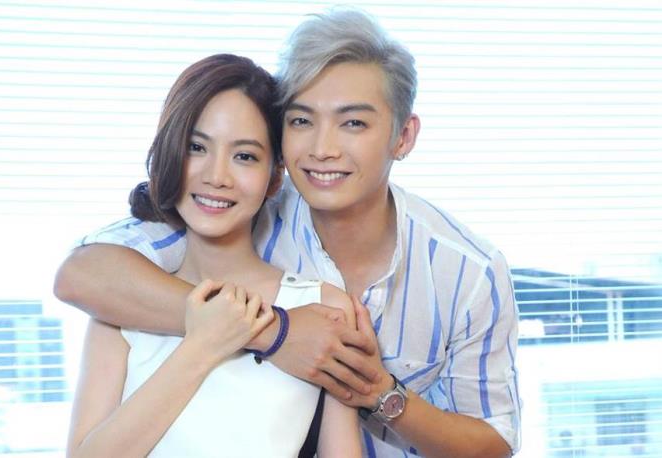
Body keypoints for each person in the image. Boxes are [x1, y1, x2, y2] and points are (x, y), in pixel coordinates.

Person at [56, 9, 521, 457]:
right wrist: (271, 331)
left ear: (403, 136)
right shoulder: (224, 213)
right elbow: (84, 273)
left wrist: (377, 390)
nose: (322, 148)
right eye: (301, 121)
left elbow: (493, 440)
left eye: (353, 123)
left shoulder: (467, 273)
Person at [64, 54, 362, 457]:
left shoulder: (323, 308)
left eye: (244, 156)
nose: (216, 176)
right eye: (196, 147)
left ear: (275, 176)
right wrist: (204, 344)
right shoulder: (119, 306)